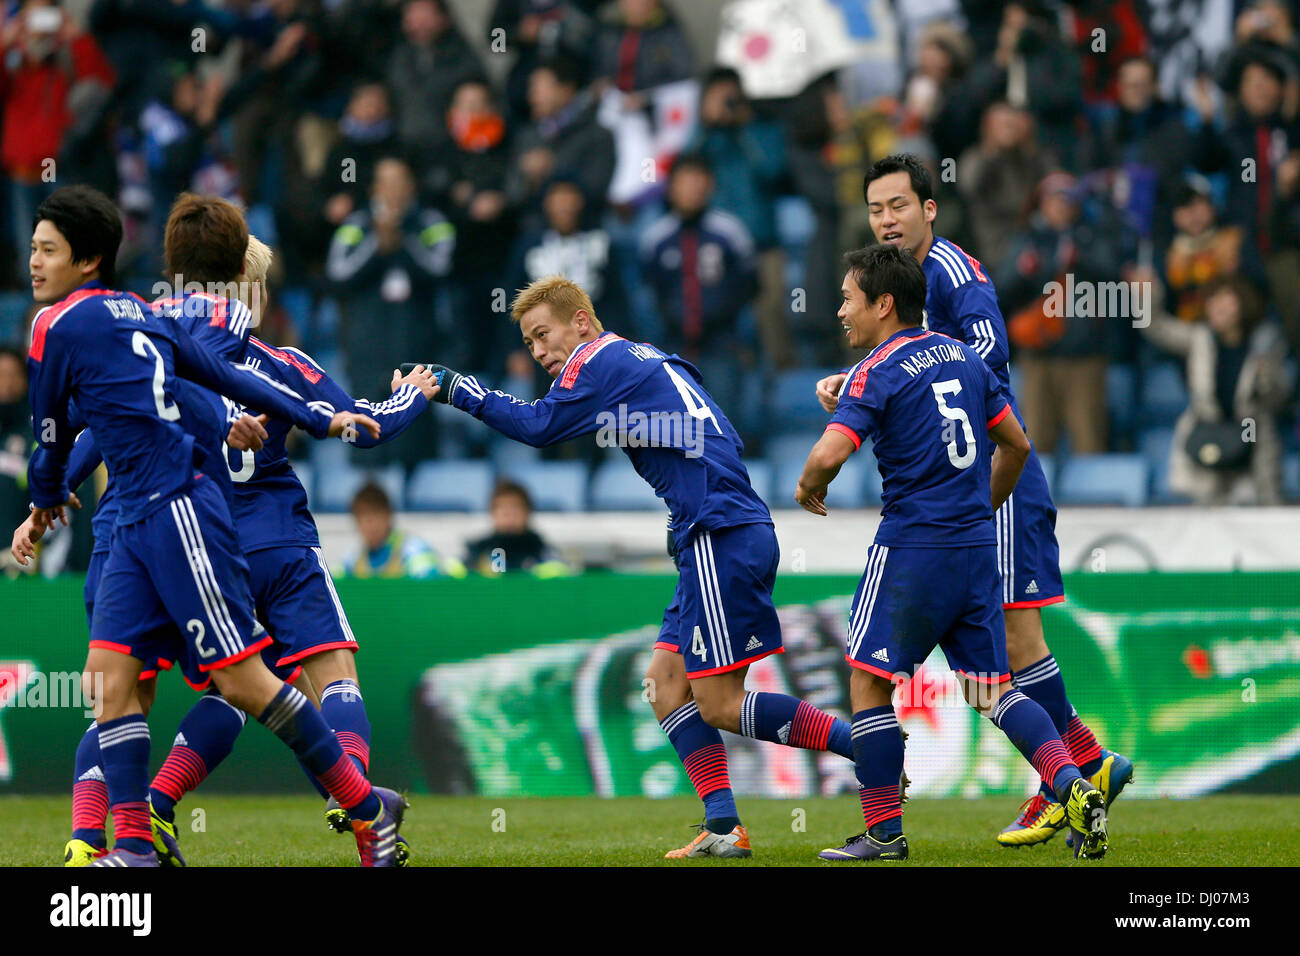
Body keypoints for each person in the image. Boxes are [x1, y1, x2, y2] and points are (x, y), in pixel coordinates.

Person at [401, 275, 859, 859]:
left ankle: (864, 745)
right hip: (715, 534)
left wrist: (454, 389)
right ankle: (724, 826)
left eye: (544, 335)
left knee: (718, 703)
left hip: (721, 535)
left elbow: (539, 428)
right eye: (530, 342)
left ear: (582, 323)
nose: (539, 352)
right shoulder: (644, 358)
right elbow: (719, 437)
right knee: (666, 687)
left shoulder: (595, 361)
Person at [17, 184, 406, 866]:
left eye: (47, 248)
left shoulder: (133, 315)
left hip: (177, 508)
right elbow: (79, 426)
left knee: (243, 684)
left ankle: (366, 809)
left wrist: (319, 418)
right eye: (32, 247)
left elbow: (66, 431)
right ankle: (133, 846)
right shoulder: (117, 318)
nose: (33, 261)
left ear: (89, 260)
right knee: (108, 680)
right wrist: (44, 497)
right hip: (132, 518)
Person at [815, 155, 1132, 848]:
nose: (887, 220)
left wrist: (877, 378)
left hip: (992, 478)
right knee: (1001, 664)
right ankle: (1083, 766)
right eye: (876, 209)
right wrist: (864, 376)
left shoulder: (954, 275)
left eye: (899, 205)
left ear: (931, 209)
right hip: (976, 479)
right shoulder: (906, 290)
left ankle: (1074, 773)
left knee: (1014, 648)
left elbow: (980, 364)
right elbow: (922, 366)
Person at [1141, 273, 1290, 505]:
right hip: (1209, 427)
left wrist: (1266, 377)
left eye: (1225, 300)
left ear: (1242, 303)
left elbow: (1278, 398)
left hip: (1248, 428)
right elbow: (1159, 329)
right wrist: (1149, 296)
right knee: (1205, 514)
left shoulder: (1263, 343)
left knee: (1252, 505)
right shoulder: (1200, 338)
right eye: (1212, 300)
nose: (1218, 307)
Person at [341, 481, 465, 579]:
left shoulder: (414, 550)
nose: (371, 523)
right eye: (364, 517)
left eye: (376, 514)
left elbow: (426, 592)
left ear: (389, 515)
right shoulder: (353, 558)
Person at [464, 478, 570, 576]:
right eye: (504, 511)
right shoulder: (478, 552)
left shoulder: (542, 552)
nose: (510, 516)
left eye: (516, 509)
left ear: (527, 513)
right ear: (493, 514)